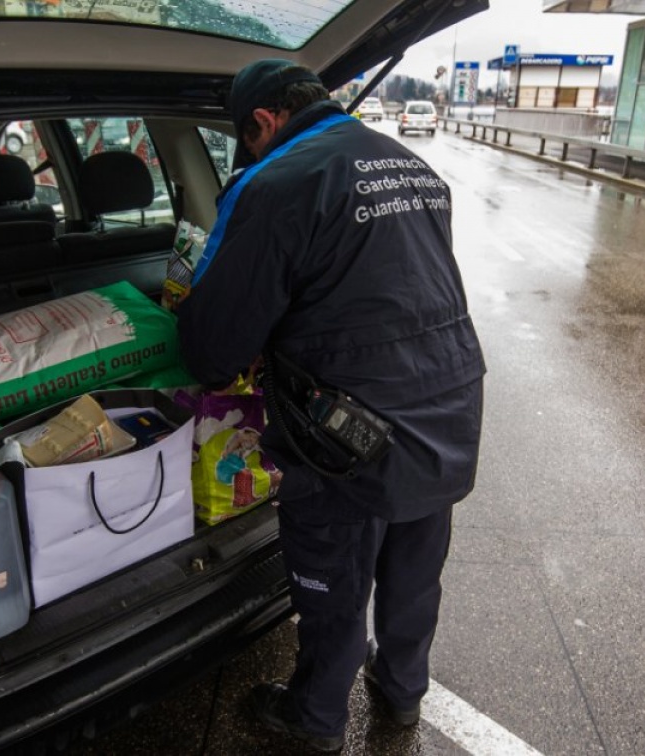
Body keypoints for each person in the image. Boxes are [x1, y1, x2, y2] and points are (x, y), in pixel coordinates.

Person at [177, 60, 486, 752]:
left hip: (347, 429)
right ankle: (401, 692)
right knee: (414, 570)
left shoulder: (276, 182)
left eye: (247, 141)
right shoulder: (408, 164)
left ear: (264, 121)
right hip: (447, 402)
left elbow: (212, 349)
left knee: (335, 580)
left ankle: (315, 717)